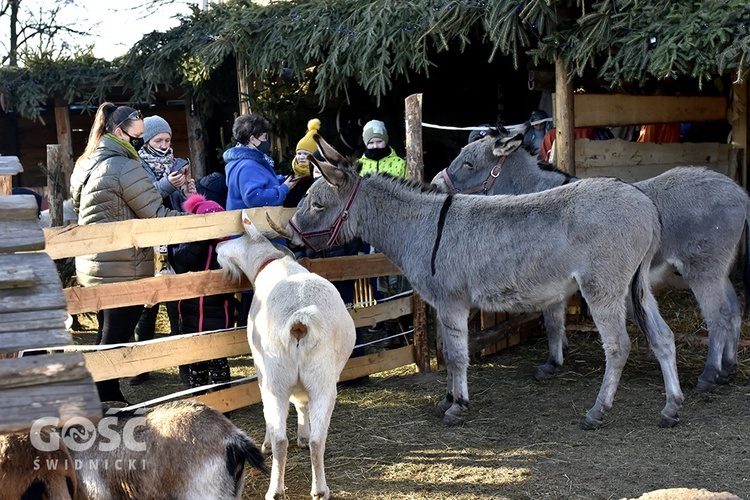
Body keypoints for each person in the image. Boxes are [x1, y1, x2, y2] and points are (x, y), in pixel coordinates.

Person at [69, 102, 183, 403]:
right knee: (116, 336)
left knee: (107, 331)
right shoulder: (124, 166)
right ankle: (107, 398)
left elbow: (79, 208)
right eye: (138, 136)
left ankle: (104, 393)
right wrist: (202, 220)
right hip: (122, 265)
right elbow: (155, 215)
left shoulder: (86, 161)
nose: (141, 142)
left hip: (95, 263)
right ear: (120, 133)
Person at [130, 115, 196, 386]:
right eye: (159, 140)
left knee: (177, 304)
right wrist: (169, 184)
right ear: (147, 141)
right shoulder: (137, 166)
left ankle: (184, 366)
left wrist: (191, 189)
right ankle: (141, 367)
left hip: (176, 240)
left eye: (168, 140)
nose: (164, 144)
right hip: (150, 242)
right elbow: (143, 199)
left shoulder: (180, 164)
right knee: (147, 306)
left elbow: (186, 203)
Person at [224, 114, 302, 326]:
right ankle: (250, 327)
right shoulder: (248, 165)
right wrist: (284, 189)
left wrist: (281, 180)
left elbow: (263, 183)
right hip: (258, 236)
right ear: (252, 139)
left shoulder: (249, 162)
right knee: (264, 284)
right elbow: (254, 197)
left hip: (258, 236)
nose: (267, 141)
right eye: (264, 136)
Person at [169, 193, 235, 389]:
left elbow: (228, 280)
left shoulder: (226, 251)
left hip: (217, 316)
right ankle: (197, 401)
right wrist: (200, 242)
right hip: (190, 318)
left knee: (218, 364)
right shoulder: (189, 248)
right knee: (196, 365)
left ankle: (224, 404)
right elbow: (180, 261)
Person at [358, 120, 411, 346]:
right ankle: (389, 326)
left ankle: (405, 322)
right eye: (372, 141)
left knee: (399, 274)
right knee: (380, 276)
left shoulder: (399, 163)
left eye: (380, 141)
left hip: (397, 227)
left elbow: (407, 190)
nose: (376, 145)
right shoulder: (360, 166)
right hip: (372, 229)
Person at [283, 118, 319, 208]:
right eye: (299, 153)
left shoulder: (314, 177)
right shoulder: (293, 174)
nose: (301, 157)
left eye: (306, 154)